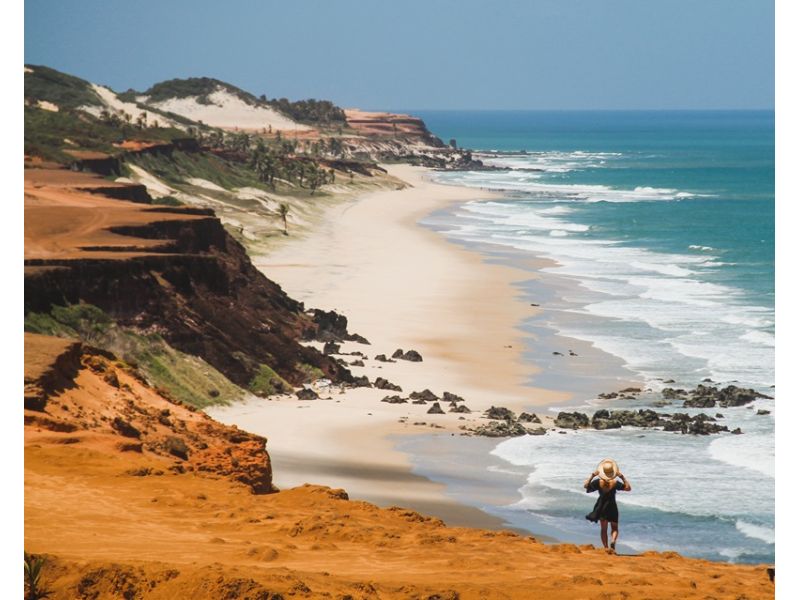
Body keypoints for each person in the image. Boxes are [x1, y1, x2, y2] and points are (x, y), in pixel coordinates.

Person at [583, 458, 631, 553]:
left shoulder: (598, 482)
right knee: (614, 528)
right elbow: (628, 488)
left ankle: (606, 548)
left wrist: (592, 476)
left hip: (601, 507)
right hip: (612, 506)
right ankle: (613, 541)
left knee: (603, 529)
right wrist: (622, 477)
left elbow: (586, 486)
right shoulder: (615, 483)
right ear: (612, 472)